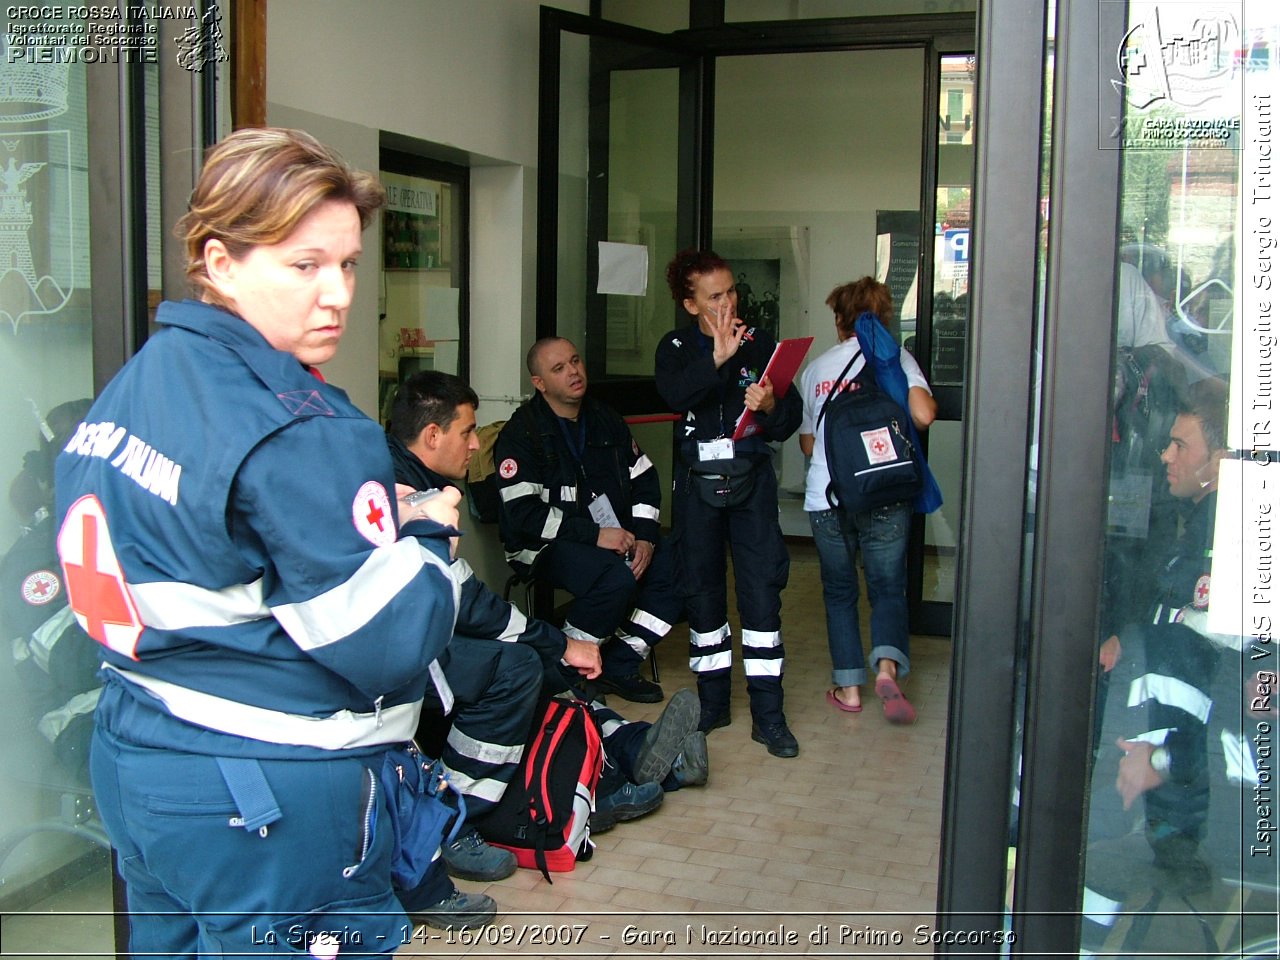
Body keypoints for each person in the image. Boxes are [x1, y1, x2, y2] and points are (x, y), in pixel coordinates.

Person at [53, 128, 492, 956]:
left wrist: (354, 518)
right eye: (303, 265)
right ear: (219, 263)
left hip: (138, 758)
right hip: (263, 795)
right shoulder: (305, 426)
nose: (337, 295)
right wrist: (428, 539)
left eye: (348, 263)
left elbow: (207, 531)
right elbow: (389, 643)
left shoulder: (140, 379)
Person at [386, 371, 708, 832]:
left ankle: (631, 749)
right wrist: (556, 643)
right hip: (405, 660)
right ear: (433, 435)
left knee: (541, 663)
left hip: (430, 636)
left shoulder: (419, 481)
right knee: (525, 666)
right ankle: (600, 778)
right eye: (468, 431)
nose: (477, 445)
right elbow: (470, 602)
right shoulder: (404, 494)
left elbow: (460, 599)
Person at [1082, 379, 1258, 947]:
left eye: (1181, 445)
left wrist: (1161, 755)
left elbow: (1247, 702)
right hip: (1167, 771)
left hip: (1201, 793)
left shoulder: (1245, 548)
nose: (1165, 455)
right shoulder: (1200, 524)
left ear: (1223, 460)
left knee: (1098, 855)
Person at [656, 249, 803, 758]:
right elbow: (674, 395)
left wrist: (773, 406)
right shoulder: (675, 347)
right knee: (703, 594)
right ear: (690, 303)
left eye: (732, 291)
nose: (727, 302)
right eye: (714, 296)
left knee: (762, 593)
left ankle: (770, 716)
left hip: (752, 481)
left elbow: (790, 421)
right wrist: (715, 359)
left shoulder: (761, 344)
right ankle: (713, 706)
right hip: (698, 484)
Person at [493, 337, 681, 703]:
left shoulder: (604, 419)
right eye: (559, 368)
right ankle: (563, 669)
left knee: (680, 561)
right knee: (613, 579)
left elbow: (644, 479)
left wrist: (645, 536)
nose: (574, 372)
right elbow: (524, 516)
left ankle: (620, 662)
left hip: (613, 537)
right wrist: (595, 535)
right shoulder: (522, 433)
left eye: (575, 361)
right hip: (542, 546)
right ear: (539, 383)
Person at [797, 278, 936, 723]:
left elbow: (807, 444)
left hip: (830, 495)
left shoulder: (816, 371)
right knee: (886, 587)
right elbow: (924, 415)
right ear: (884, 317)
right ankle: (887, 667)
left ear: (839, 320)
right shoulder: (896, 359)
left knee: (840, 593)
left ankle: (850, 689)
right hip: (888, 491)